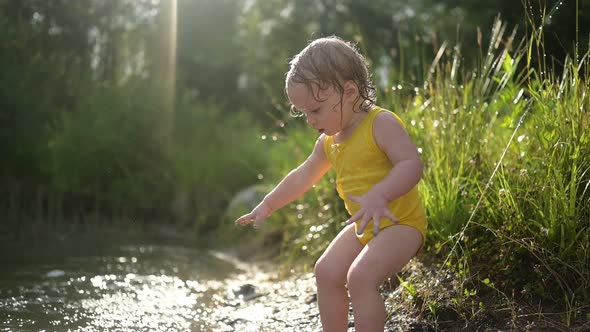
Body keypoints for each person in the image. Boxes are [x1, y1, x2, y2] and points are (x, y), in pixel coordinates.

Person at [235, 35, 427, 332]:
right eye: (303, 113)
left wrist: (380, 194)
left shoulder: (380, 123)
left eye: (315, 110)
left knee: (360, 277)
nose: (310, 120)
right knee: (326, 271)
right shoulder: (329, 141)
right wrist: (268, 204)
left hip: (401, 224)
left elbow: (412, 165)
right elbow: (303, 175)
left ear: (349, 92)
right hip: (365, 225)